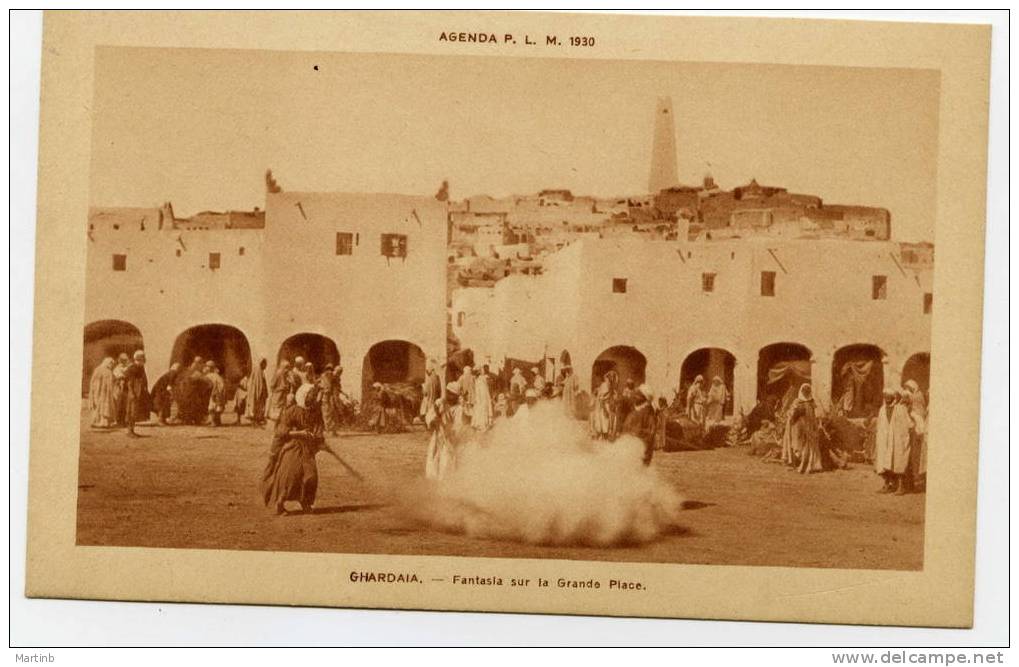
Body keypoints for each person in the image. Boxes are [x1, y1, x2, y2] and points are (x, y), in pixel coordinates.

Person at [260, 384, 326, 515]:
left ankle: (305, 503)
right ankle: (279, 503)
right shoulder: (292, 411)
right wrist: (298, 433)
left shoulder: (315, 412)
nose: (312, 397)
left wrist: (319, 440)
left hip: (307, 449)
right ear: (303, 396)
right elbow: (280, 431)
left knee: (310, 476)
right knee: (290, 476)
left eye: (313, 394)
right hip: (293, 447)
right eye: (310, 394)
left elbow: (318, 429)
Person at [874, 389, 913, 494]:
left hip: (897, 440)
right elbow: (880, 425)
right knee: (884, 463)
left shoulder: (900, 409)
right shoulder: (882, 409)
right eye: (885, 395)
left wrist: (903, 437)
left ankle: (901, 487)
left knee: (898, 462)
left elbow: (908, 425)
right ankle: (887, 485)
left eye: (889, 396)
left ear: (893, 397)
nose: (887, 398)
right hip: (884, 440)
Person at [781, 383, 822, 473]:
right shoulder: (797, 402)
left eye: (808, 391)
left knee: (807, 446)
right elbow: (791, 414)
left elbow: (815, 415)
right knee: (798, 445)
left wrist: (816, 425)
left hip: (808, 427)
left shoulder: (812, 402)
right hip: (798, 427)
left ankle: (806, 465)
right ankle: (799, 463)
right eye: (805, 391)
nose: (806, 393)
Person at [424, 387, 457, 481]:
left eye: (453, 395)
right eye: (450, 394)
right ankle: (433, 475)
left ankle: (445, 476)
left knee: (446, 455)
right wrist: (436, 418)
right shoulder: (441, 403)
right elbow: (430, 418)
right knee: (435, 453)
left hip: (447, 434)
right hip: (439, 433)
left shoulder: (456, 407)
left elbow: (452, 424)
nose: (451, 396)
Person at [622, 385, 658, 466]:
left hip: (640, 450)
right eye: (636, 394)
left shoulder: (648, 412)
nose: (635, 396)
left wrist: (637, 432)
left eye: (638, 395)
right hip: (629, 446)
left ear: (645, 398)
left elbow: (651, 432)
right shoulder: (636, 410)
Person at [903, 380, 927, 492]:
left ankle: (915, 484)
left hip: (916, 433)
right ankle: (910, 484)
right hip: (912, 432)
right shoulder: (912, 402)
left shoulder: (917, 399)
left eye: (909, 388)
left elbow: (919, 419)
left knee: (914, 459)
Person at [123, 350, 150, 437]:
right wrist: (131, 393)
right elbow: (129, 382)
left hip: (138, 392)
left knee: (135, 412)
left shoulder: (140, 367)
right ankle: (129, 431)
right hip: (133, 392)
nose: (144, 361)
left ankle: (132, 430)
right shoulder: (132, 368)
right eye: (143, 359)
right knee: (131, 411)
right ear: (139, 359)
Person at [87, 357, 117, 428]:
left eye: (112, 364)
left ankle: (104, 422)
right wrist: (96, 390)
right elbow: (94, 381)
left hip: (106, 392)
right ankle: (98, 422)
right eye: (111, 363)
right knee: (99, 406)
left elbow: (113, 379)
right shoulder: (99, 369)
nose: (111, 365)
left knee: (105, 406)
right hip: (100, 391)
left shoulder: (108, 371)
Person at [590, 370, 616, 440]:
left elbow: (607, 397)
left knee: (605, 420)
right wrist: (603, 407)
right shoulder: (605, 385)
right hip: (602, 405)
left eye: (612, 378)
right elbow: (602, 397)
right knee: (602, 420)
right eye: (610, 377)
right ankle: (601, 435)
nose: (611, 379)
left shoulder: (609, 386)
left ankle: (604, 435)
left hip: (606, 405)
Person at [245, 358, 269, 427]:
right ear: (262, 363)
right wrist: (262, 393)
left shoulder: (259, 370)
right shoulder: (258, 371)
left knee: (256, 406)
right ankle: (255, 422)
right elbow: (259, 384)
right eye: (265, 364)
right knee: (256, 406)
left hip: (256, 392)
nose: (266, 366)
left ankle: (256, 421)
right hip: (257, 393)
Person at [471, 365, 494, 431]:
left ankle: (482, 423)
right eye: (482, 370)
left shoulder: (479, 379)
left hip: (482, 395)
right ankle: (483, 424)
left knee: (481, 408)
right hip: (483, 396)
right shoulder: (480, 379)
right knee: (483, 408)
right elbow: (482, 390)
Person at [204, 361, 226, 427]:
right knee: (217, 408)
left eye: (207, 366)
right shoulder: (216, 375)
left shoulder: (210, 376)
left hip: (214, 393)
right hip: (218, 393)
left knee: (212, 409)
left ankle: (214, 422)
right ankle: (217, 421)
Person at [112, 352, 131, 426]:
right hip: (119, 388)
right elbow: (119, 377)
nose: (125, 362)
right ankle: (119, 420)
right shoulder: (117, 368)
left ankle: (123, 420)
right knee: (119, 404)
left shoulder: (127, 367)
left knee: (125, 405)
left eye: (125, 360)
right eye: (123, 360)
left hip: (125, 388)